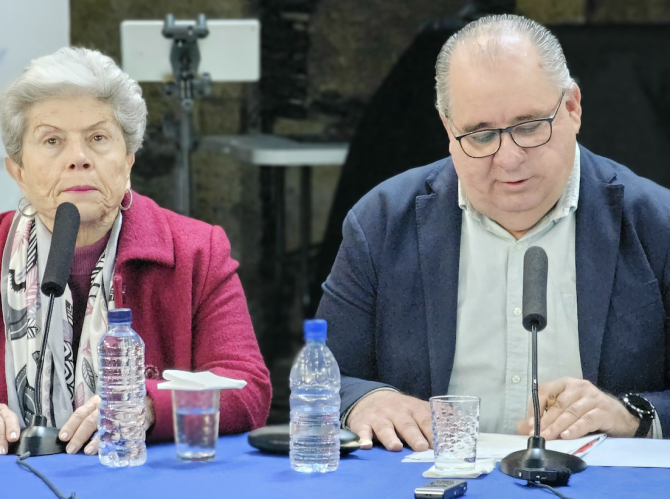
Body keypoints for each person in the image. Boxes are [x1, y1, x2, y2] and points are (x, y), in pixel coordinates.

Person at [317, 14, 670, 452]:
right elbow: (325, 374)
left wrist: (633, 414)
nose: (509, 158)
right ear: (449, 130)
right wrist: (365, 401)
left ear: (572, 108)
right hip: (430, 473)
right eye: (481, 135)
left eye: (529, 127)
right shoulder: (383, 222)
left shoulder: (657, 224)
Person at [0, 47, 272, 455]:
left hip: (140, 477)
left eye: (98, 138)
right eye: (52, 140)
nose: (78, 159)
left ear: (128, 159)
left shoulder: (196, 251)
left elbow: (248, 389)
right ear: (18, 172)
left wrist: (149, 405)